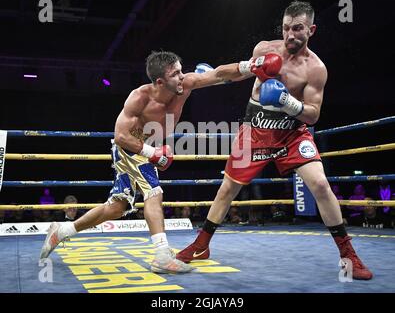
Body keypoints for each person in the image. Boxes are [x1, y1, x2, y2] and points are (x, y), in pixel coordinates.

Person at [176, 1, 373, 280]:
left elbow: (314, 115)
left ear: (311, 30)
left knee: (319, 183)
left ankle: (348, 255)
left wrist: (287, 102)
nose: (290, 35)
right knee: (228, 188)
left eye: (297, 28)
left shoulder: (316, 69)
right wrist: (198, 80)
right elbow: (228, 74)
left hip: (292, 132)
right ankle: (201, 245)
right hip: (255, 129)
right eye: (285, 28)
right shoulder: (264, 49)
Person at [39, 50, 278, 273]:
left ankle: (62, 231)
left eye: (181, 70)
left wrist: (252, 66)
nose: (182, 76)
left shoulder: (186, 85)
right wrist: (152, 152)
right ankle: (162, 255)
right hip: (129, 147)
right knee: (153, 192)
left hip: (144, 149)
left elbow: (218, 74)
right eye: (175, 73)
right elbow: (120, 136)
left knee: (116, 207)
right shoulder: (140, 98)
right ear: (160, 82)